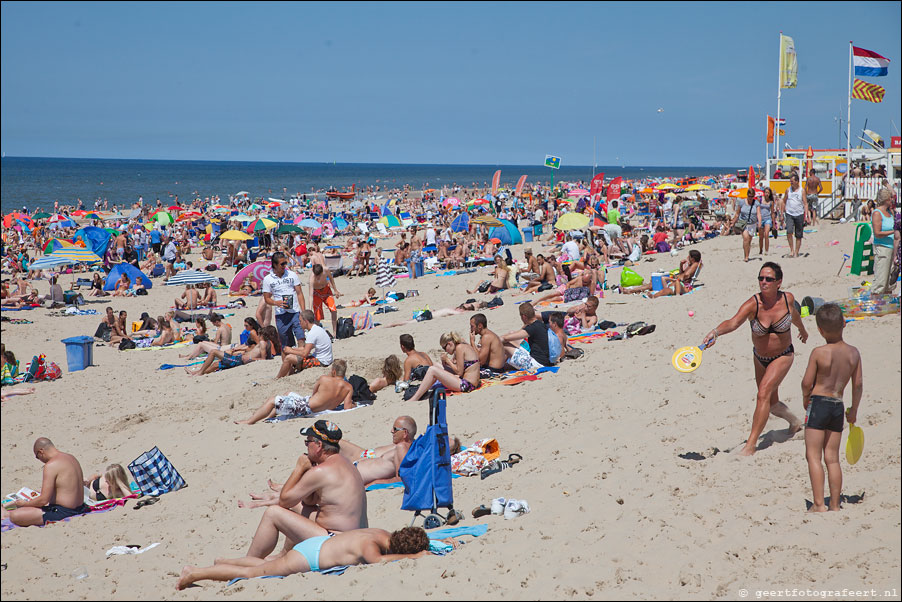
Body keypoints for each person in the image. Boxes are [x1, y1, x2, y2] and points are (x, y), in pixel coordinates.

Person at [702, 262, 807, 456]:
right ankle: (794, 422)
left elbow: (794, 316)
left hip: (783, 355)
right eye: (761, 278)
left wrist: (802, 330)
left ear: (779, 282)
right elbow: (733, 322)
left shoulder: (787, 299)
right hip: (759, 358)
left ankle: (750, 445)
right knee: (772, 403)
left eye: (769, 279)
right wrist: (715, 332)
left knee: (762, 394)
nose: (763, 282)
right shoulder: (753, 304)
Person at [235, 421, 368, 547]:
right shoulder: (347, 464)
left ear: (319, 446)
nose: (306, 446)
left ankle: (251, 561)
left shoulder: (321, 471)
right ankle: (283, 555)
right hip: (358, 538)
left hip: (338, 542)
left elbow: (284, 501)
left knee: (273, 513)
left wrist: (299, 469)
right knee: (298, 507)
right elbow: (309, 501)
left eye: (307, 442)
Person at [176, 527, 432, 590]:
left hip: (318, 544)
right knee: (254, 574)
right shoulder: (371, 546)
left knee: (266, 566)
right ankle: (196, 573)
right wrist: (415, 556)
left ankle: (223, 563)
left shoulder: (381, 534)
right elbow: (378, 561)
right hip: (311, 557)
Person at [801, 303, 863, 512]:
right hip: (838, 405)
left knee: (813, 456)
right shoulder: (854, 353)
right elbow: (858, 384)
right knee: (832, 458)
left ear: (820, 330)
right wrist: (853, 410)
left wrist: (805, 399)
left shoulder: (819, 352)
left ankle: (819, 504)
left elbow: (806, 382)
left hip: (819, 403)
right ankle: (835, 504)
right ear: (844, 323)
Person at [5, 438, 90, 527]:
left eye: (37, 457)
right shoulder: (71, 457)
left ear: (41, 452)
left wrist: (24, 504)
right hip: (80, 507)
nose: (39, 460)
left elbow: (43, 500)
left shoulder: (51, 465)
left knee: (15, 516)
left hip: (63, 512)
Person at [237, 360, 352, 423]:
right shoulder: (348, 387)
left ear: (333, 371)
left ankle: (249, 421)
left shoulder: (324, 379)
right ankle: (270, 417)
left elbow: (314, 394)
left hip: (306, 408)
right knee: (287, 394)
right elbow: (347, 407)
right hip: (317, 408)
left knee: (272, 400)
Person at [339, 416, 417, 485]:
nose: (392, 431)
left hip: (354, 475)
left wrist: (377, 482)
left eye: (395, 429)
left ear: (405, 433)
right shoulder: (403, 446)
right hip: (355, 468)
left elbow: (400, 479)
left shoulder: (401, 447)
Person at [405, 332, 480, 401]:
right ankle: (423, 388)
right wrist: (445, 364)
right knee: (436, 365)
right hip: (468, 382)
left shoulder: (459, 348)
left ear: (450, 344)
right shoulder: (462, 345)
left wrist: (447, 361)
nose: (445, 351)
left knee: (432, 370)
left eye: (444, 348)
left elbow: (459, 372)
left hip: (467, 385)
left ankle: (415, 398)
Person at [262, 251, 306, 348]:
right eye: (282, 264)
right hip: (281, 314)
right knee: (286, 344)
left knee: (301, 337)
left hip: (295, 311)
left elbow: (299, 293)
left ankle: (302, 360)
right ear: (274, 265)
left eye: (285, 263)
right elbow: (267, 299)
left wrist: (303, 311)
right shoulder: (268, 279)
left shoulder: (292, 275)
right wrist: (276, 303)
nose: (285, 265)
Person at [277, 310, 333, 378]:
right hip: (325, 359)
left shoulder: (312, 333)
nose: (299, 323)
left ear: (306, 321)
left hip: (321, 362)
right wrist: (291, 349)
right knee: (285, 352)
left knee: (288, 358)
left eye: (300, 321)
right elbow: (305, 348)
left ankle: (278, 378)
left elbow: (304, 353)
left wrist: (290, 351)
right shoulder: (317, 329)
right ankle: (290, 374)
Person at [501, 303, 551, 370]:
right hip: (544, 360)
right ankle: (504, 364)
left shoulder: (532, 328)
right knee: (511, 338)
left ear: (524, 317)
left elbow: (505, 338)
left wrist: (494, 341)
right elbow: (515, 335)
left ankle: (498, 367)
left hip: (537, 364)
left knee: (505, 345)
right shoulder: (540, 324)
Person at [870, 188, 896, 295]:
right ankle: (875, 304)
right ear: (886, 199)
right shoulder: (877, 213)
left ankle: (887, 304)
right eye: (890, 198)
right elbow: (877, 233)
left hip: (892, 248)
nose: (892, 200)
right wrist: (893, 231)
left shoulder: (890, 212)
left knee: (890, 280)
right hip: (882, 247)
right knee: (881, 279)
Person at [309, 264, 341, 335]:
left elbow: (331, 279)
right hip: (316, 293)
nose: (317, 277)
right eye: (316, 275)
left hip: (326, 291)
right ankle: (316, 334)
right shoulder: (312, 278)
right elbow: (310, 295)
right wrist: (310, 309)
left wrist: (335, 290)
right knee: (317, 316)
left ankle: (335, 333)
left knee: (333, 310)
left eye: (319, 275)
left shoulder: (326, 270)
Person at [730, 189, 761, 262]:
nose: (751, 198)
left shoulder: (756, 203)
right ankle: (746, 257)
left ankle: (747, 253)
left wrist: (759, 222)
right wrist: (733, 222)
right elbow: (737, 213)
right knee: (746, 238)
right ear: (747, 195)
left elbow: (758, 213)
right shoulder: (742, 202)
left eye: (752, 196)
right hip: (743, 223)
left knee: (749, 241)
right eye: (749, 196)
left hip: (752, 224)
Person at [782, 174, 808, 258]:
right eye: (790, 182)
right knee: (789, 231)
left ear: (797, 181)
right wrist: (782, 213)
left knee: (798, 234)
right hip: (789, 213)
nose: (791, 183)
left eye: (792, 182)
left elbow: (805, 203)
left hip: (799, 213)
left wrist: (806, 215)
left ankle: (796, 252)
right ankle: (791, 250)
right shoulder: (788, 190)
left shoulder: (802, 191)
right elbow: (783, 201)